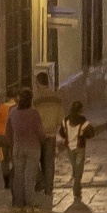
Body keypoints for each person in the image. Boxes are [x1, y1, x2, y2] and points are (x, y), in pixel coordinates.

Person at [6, 87, 44, 211]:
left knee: (18, 176)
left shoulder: (12, 112)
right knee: (29, 177)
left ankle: (18, 204)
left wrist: (13, 143)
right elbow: (40, 132)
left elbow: (8, 132)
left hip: (17, 148)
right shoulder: (34, 113)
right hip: (33, 148)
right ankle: (30, 204)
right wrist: (43, 139)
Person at [31, 66, 65, 205]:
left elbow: (32, 116)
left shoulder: (35, 98)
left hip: (37, 135)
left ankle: (41, 181)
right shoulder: (56, 97)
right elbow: (61, 118)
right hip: (51, 134)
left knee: (35, 159)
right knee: (49, 162)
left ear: (38, 83)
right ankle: (49, 189)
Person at [62, 99, 92, 204]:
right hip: (80, 148)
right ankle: (76, 188)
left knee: (75, 167)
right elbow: (91, 133)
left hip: (69, 147)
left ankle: (76, 185)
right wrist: (83, 135)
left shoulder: (65, 120)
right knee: (79, 168)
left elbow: (62, 133)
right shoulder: (83, 121)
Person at [0, 90, 14, 191]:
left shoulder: (1, 108)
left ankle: (6, 182)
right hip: (13, 137)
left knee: (2, 161)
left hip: (1, 137)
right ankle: (13, 178)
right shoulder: (17, 108)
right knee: (15, 160)